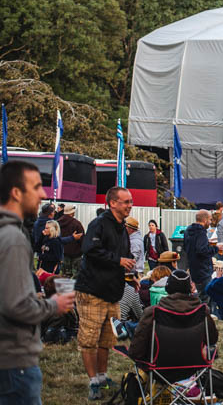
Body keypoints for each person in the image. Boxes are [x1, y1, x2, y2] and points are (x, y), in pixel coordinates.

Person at [0, 161, 75, 405]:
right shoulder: (13, 238)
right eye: (36, 187)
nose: (43, 194)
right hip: (14, 361)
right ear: (16, 192)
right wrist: (54, 305)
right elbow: (15, 306)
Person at [75, 186, 135, 400]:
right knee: (89, 339)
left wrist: (131, 271)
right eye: (126, 202)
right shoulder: (98, 224)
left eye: (131, 201)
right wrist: (118, 260)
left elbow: (123, 255)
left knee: (107, 339)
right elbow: (90, 250)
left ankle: (102, 377)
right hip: (92, 290)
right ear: (112, 203)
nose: (130, 205)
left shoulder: (122, 228)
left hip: (112, 292)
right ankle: (93, 382)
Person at [128, 269, 220, 365]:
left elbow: (136, 349)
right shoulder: (202, 311)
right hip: (194, 364)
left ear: (167, 288)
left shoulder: (153, 312)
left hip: (160, 365)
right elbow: (212, 339)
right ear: (190, 288)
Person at [182, 210, 218, 294]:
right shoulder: (201, 232)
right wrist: (215, 248)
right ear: (205, 220)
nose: (210, 222)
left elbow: (186, 247)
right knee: (206, 296)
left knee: (199, 294)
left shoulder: (188, 231)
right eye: (210, 219)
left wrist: (206, 243)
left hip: (193, 269)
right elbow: (202, 250)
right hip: (203, 270)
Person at [57, 204, 85, 277]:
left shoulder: (58, 223)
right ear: (72, 213)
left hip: (63, 253)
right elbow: (82, 238)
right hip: (76, 254)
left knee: (64, 277)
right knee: (77, 277)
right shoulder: (76, 224)